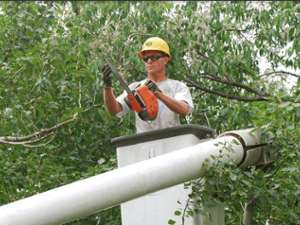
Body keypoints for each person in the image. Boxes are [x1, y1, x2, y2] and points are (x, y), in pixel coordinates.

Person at [101, 37, 194, 133]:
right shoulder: (135, 87)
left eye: (154, 57)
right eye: (146, 59)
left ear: (166, 59)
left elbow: (184, 110)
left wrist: (158, 93)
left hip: (172, 141)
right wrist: (107, 87)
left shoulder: (177, 86)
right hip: (145, 143)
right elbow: (115, 110)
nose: (149, 61)